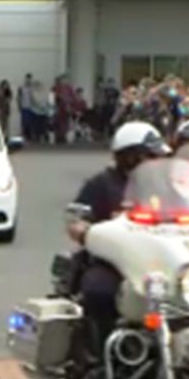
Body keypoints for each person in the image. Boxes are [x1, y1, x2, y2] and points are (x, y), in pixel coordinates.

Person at [66, 122, 171, 361]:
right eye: (150, 155)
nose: (156, 161)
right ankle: (101, 357)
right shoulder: (102, 184)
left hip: (160, 263)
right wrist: (86, 231)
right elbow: (76, 220)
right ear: (129, 156)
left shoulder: (165, 186)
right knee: (99, 290)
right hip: (114, 265)